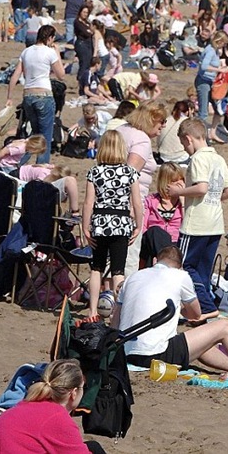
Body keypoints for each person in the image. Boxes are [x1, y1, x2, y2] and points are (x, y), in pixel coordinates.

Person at [113, 243, 228, 376]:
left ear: (155, 261)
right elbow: (196, 315)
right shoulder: (180, 276)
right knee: (224, 327)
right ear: (180, 267)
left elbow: (115, 324)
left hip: (126, 354)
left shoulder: (133, 277)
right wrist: (180, 306)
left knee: (197, 340)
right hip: (156, 356)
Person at [168, 117, 228, 321]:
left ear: (188, 139)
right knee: (203, 271)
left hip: (196, 224)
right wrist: (214, 200)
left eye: (183, 144)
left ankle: (205, 306)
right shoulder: (218, 158)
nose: (184, 148)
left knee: (184, 266)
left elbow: (202, 187)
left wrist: (179, 192)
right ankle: (203, 308)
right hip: (215, 223)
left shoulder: (197, 159)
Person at [0, 358, 106, 454]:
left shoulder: (26, 405)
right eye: (83, 387)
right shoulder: (57, 419)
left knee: (92, 447)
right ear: (73, 393)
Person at [82, 130, 142, 321]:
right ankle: (119, 313)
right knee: (118, 271)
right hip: (121, 223)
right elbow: (137, 203)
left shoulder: (95, 171)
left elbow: (88, 203)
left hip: (100, 222)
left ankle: (92, 311)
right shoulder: (129, 172)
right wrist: (138, 225)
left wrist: (85, 227)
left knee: (96, 268)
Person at [119, 100, 167, 275]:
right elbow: (129, 175)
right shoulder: (142, 140)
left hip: (105, 200)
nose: (163, 126)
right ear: (151, 118)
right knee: (128, 256)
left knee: (109, 255)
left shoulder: (120, 130)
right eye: (162, 121)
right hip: (129, 203)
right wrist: (134, 206)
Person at [6, 25, 66, 164]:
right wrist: (57, 53)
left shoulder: (26, 51)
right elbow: (61, 75)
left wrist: (9, 97)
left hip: (28, 95)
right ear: (50, 38)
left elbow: (15, 76)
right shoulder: (49, 52)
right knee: (45, 136)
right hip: (43, 95)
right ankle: (41, 167)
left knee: (34, 134)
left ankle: (18, 163)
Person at [195, 30, 228, 137]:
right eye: (224, 43)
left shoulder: (214, 51)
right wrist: (219, 69)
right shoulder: (210, 51)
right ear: (219, 41)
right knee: (203, 112)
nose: (224, 45)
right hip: (203, 81)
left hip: (210, 81)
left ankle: (212, 133)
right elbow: (204, 66)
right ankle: (200, 136)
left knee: (218, 108)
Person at [143, 162, 185, 243]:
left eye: (181, 179)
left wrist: (183, 201)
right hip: (153, 243)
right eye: (174, 181)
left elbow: (188, 225)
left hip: (175, 243)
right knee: (155, 230)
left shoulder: (185, 202)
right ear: (165, 182)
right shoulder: (150, 201)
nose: (180, 183)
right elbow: (144, 227)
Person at [74, 6, 94, 92]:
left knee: (88, 64)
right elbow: (86, 33)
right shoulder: (77, 22)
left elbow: (92, 31)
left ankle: (85, 83)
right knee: (84, 64)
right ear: (80, 12)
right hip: (82, 44)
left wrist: (90, 31)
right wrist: (90, 31)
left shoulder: (87, 22)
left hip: (89, 45)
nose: (85, 14)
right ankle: (81, 83)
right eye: (84, 12)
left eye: (87, 12)